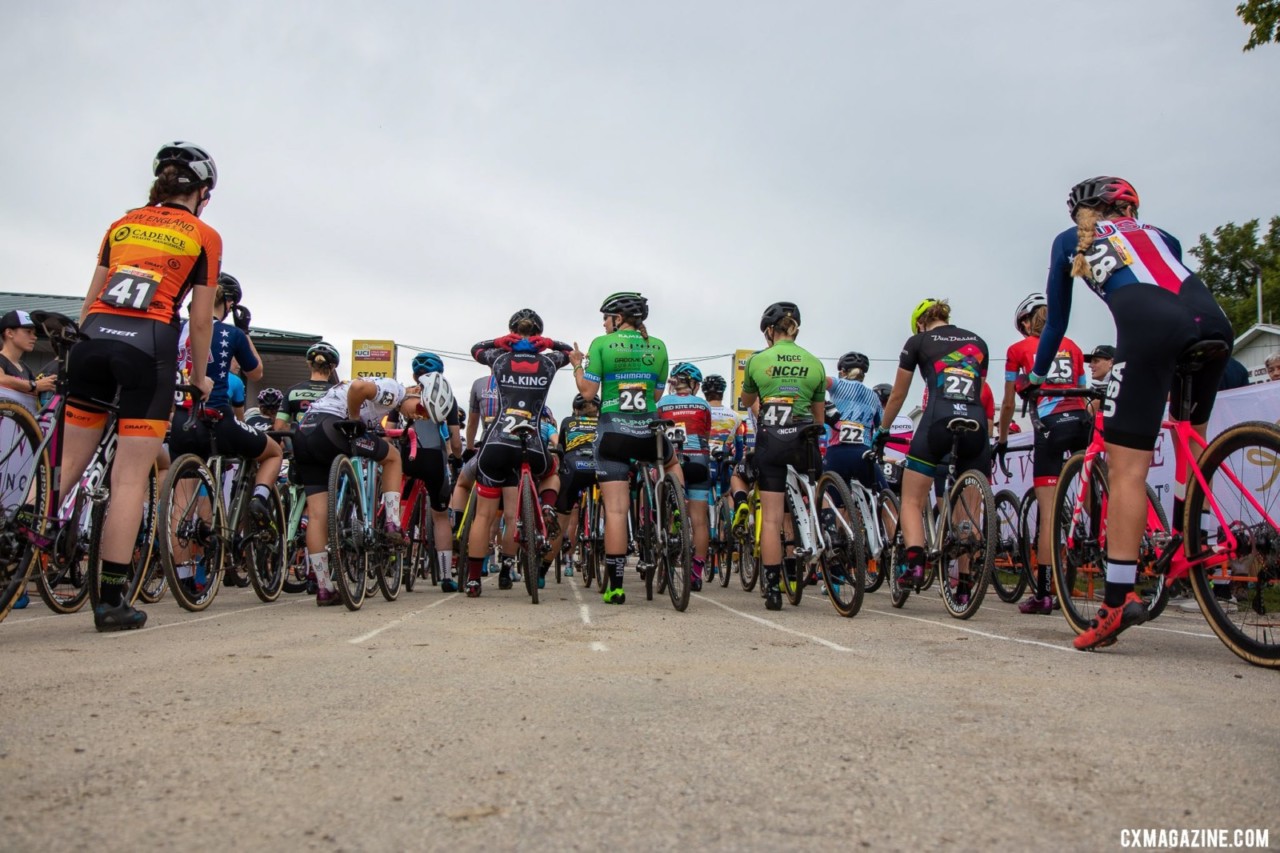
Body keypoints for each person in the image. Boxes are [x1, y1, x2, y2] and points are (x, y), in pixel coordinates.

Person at [1029, 176, 1233, 650]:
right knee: (1193, 441)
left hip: (1151, 328)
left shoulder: (1070, 241)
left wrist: (1037, 377)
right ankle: (1190, 536)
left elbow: (1056, 322)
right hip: (1214, 321)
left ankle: (1118, 600)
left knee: (1127, 470)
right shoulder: (1162, 235)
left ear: (1083, 211)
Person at [61, 141, 220, 631]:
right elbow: (198, 319)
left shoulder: (122, 223)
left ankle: (20, 536)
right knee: (129, 478)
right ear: (204, 193)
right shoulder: (203, 234)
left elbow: (90, 299)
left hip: (92, 338)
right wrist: (198, 377)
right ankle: (110, 602)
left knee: (65, 465)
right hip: (147, 343)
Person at [168, 273, 283, 592]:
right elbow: (256, 371)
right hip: (218, 421)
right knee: (274, 451)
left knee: (182, 499)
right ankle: (260, 497)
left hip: (180, 419)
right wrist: (243, 334)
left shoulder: (178, 329)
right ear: (230, 304)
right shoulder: (231, 332)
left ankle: (185, 579)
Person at [876, 298, 991, 605]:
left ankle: (915, 563)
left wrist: (883, 430)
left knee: (911, 500)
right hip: (976, 423)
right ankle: (964, 585)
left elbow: (898, 394)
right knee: (968, 512)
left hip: (937, 419)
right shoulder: (978, 341)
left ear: (921, 323)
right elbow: (980, 389)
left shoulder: (918, 340)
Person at [569, 292, 678, 604]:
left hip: (614, 432)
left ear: (618, 318)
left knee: (616, 510)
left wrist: (578, 365)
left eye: (606, 317)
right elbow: (656, 392)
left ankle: (615, 587)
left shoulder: (601, 344)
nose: (603, 323)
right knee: (672, 464)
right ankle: (675, 514)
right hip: (649, 432)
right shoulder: (658, 346)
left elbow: (588, 393)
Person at [464, 309, 571, 597]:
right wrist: (547, 342)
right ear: (538, 334)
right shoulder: (548, 361)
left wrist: (502, 342)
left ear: (512, 331)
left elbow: (476, 349)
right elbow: (570, 352)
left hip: (497, 442)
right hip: (532, 444)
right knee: (547, 479)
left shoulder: (498, 359)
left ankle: (473, 582)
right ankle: (546, 507)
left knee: (484, 516)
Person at [997, 292, 1090, 614]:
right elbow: (1083, 389)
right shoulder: (1074, 347)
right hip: (1082, 419)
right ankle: (1097, 537)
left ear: (1025, 322)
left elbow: (1009, 402)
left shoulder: (1017, 349)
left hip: (1050, 425)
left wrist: (1002, 436)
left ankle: (1045, 592)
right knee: (1092, 488)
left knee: (1048, 514)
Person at [292, 376, 420, 605]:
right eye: (421, 407)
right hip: (332, 427)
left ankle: (324, 588)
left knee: (317, 515)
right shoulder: (396, 389)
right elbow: (359, 388)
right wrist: (353, 420)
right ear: (415, 391)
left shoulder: (384, 404)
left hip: (305, 432)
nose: (418, 415)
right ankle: (392, 522)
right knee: (392, 458)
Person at [739, 302, 826, 611]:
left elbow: (747, 400)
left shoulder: (757, 360)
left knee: (773, 517)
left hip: (772, 439)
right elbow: (819, 419)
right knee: (808, 501)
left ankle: (774, 589)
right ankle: (821, 526)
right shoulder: (815, 362)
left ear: (769, 331)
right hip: (804, 439)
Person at [399, 353, 462, 591]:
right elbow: (455, 443)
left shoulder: (403, 394)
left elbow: (390, 430)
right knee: (440, 516)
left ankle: (392, 563)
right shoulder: (447, 397)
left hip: (407, 456)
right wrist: (456, 458)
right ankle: (446, 575)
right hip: (434, 456)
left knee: (401, 508)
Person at [657, 362, 713, 591]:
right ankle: (696, 572)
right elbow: (706, 433)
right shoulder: (703, 405)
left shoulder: (661, 404)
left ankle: (668, 562)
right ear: (693, 384)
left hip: (672, 462)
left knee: (670, 513)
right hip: (699, 460)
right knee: (699, 520)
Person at [823, 351, 883, 492]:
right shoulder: (874, 397)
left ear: (843, 371)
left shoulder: (838, 384)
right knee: (885, 499)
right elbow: (880, 428)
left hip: (836, 450)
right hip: (863, 451)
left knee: (835, 503)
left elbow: (816, 380)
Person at [0, 310, 56, 416]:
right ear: (9, 333)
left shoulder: (26, 368)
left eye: (34, 333)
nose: (34, 337)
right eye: (28, 332)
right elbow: (1, 379)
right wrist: (35, 385)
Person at [276, 342, 341, 429]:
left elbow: (279, 427)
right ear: (333, 367)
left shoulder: (293, 391)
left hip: (300, 440)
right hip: (329, 441)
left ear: (309, 364)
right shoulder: (340, 392)